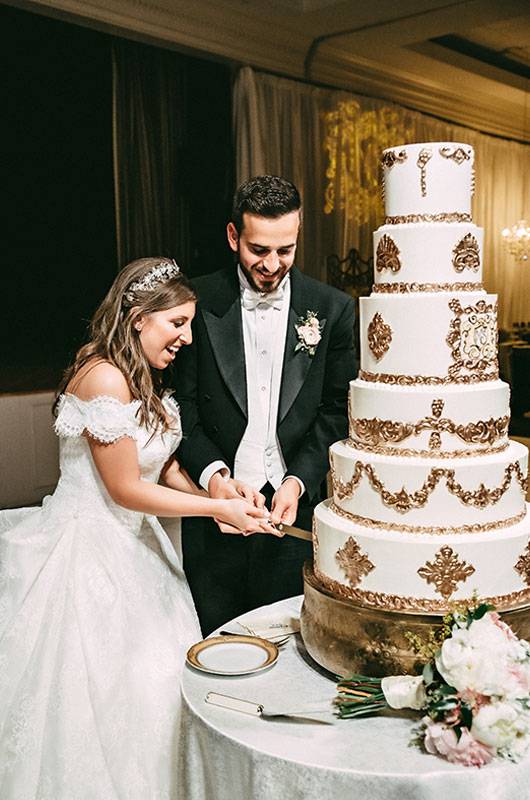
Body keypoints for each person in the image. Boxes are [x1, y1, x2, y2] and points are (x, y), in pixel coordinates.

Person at [0, 257, 276, 800]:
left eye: (189, 325)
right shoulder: (103, 375)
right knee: (103, 702)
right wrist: (216, 514)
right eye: (177, 324)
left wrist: (217, 492)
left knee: (155, 694)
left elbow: (162, 462)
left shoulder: (142, 375)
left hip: (139, 549)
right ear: (137, 318)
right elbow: (125, 488)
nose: (187, 339)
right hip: (90, 559)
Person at [176, 176, 357, 635]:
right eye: (259, 250)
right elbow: (182, 407)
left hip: (291, 514)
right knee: (214, 640)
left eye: (286, 250)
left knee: (286, 642)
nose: (273, 264)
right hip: (214, 513)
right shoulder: (195, 302)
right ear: (233, 236)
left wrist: (298, 481)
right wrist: (214, 479)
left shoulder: (333, 309)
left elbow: (335, 411)